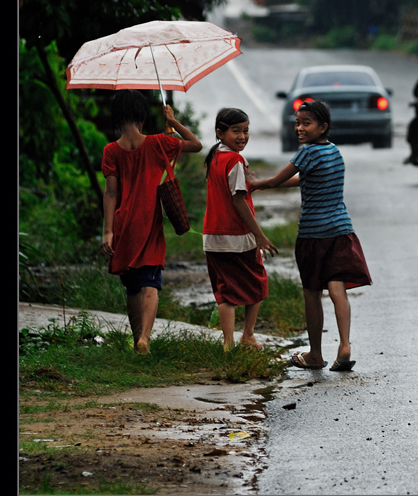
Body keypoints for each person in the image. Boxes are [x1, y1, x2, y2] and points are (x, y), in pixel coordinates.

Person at [250, 100, 372, 371]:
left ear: (323, 127)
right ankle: (344, 346)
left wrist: (255, 185)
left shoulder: (307, 153)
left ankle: (315, 355)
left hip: (313, 235)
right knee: (337, 289)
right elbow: (305, 179)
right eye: (297, 123)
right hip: (341, 231)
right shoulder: (333, 152)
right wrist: (265, 185)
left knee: (312, 292)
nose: (299, 128)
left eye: (306, 123)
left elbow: (277, 180)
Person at [101, 90, 203, 353]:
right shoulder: (159, 143)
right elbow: (196, 144)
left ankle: (137, 339)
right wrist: (173, 119)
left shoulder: (111, 150)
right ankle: (145, 338)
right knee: (150, 281)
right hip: (149, 221)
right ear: (142, 116)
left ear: (117, 117)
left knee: (132, 286)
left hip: (124, 224)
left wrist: (108, 232)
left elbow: (111, 192)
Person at [203, 108, 278, 350]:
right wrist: (260, 236)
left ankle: (228, 343)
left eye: (246, 131)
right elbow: (238, 200)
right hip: (237, 237)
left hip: (212, 237)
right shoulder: (235, 160)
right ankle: (247, 335)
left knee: (226, 292)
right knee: (256, 284)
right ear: (220, 132)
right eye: (236, 131)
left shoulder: (215, 156)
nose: (242, 136)